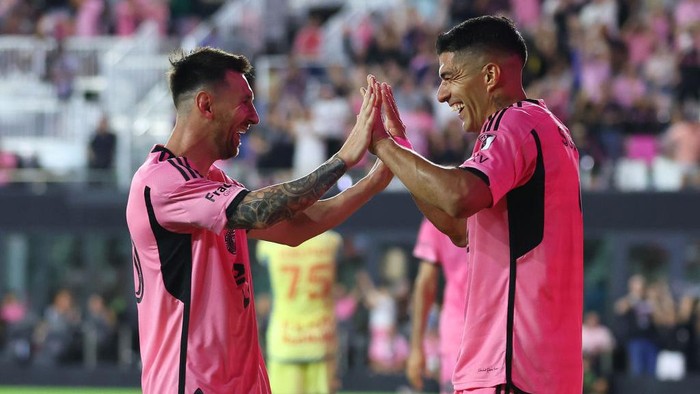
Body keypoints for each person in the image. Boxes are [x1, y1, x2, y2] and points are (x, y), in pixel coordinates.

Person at [126, 47, 397, 393]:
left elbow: (297, 227)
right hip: (192, 384)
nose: (254, 117)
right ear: (206, 105)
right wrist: (344, 158)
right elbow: (265, 208)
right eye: (245, 102)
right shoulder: (159, 181)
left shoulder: (217, 183)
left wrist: (375, 179)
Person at [369, 15, 584, 393]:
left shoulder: (512, 123)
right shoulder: (549, 127)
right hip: (543, 368)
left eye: (449, 76)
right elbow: (460, 229)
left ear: (489, 76)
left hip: (510, 367)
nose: (441, 94)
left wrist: (380, 144)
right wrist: (399, 148)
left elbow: (459, 196)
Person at [256, 230, 342, 394]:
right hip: (321, 339)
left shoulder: (269, 244)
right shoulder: (332, 241)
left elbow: (264, 299)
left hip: (285, 340)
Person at [406, 218, 467, 394]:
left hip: (457, 335)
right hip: (499, 333)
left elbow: (425, 284)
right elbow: (425, 285)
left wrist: (416, 347)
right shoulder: (497, 205)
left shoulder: (436, 217)